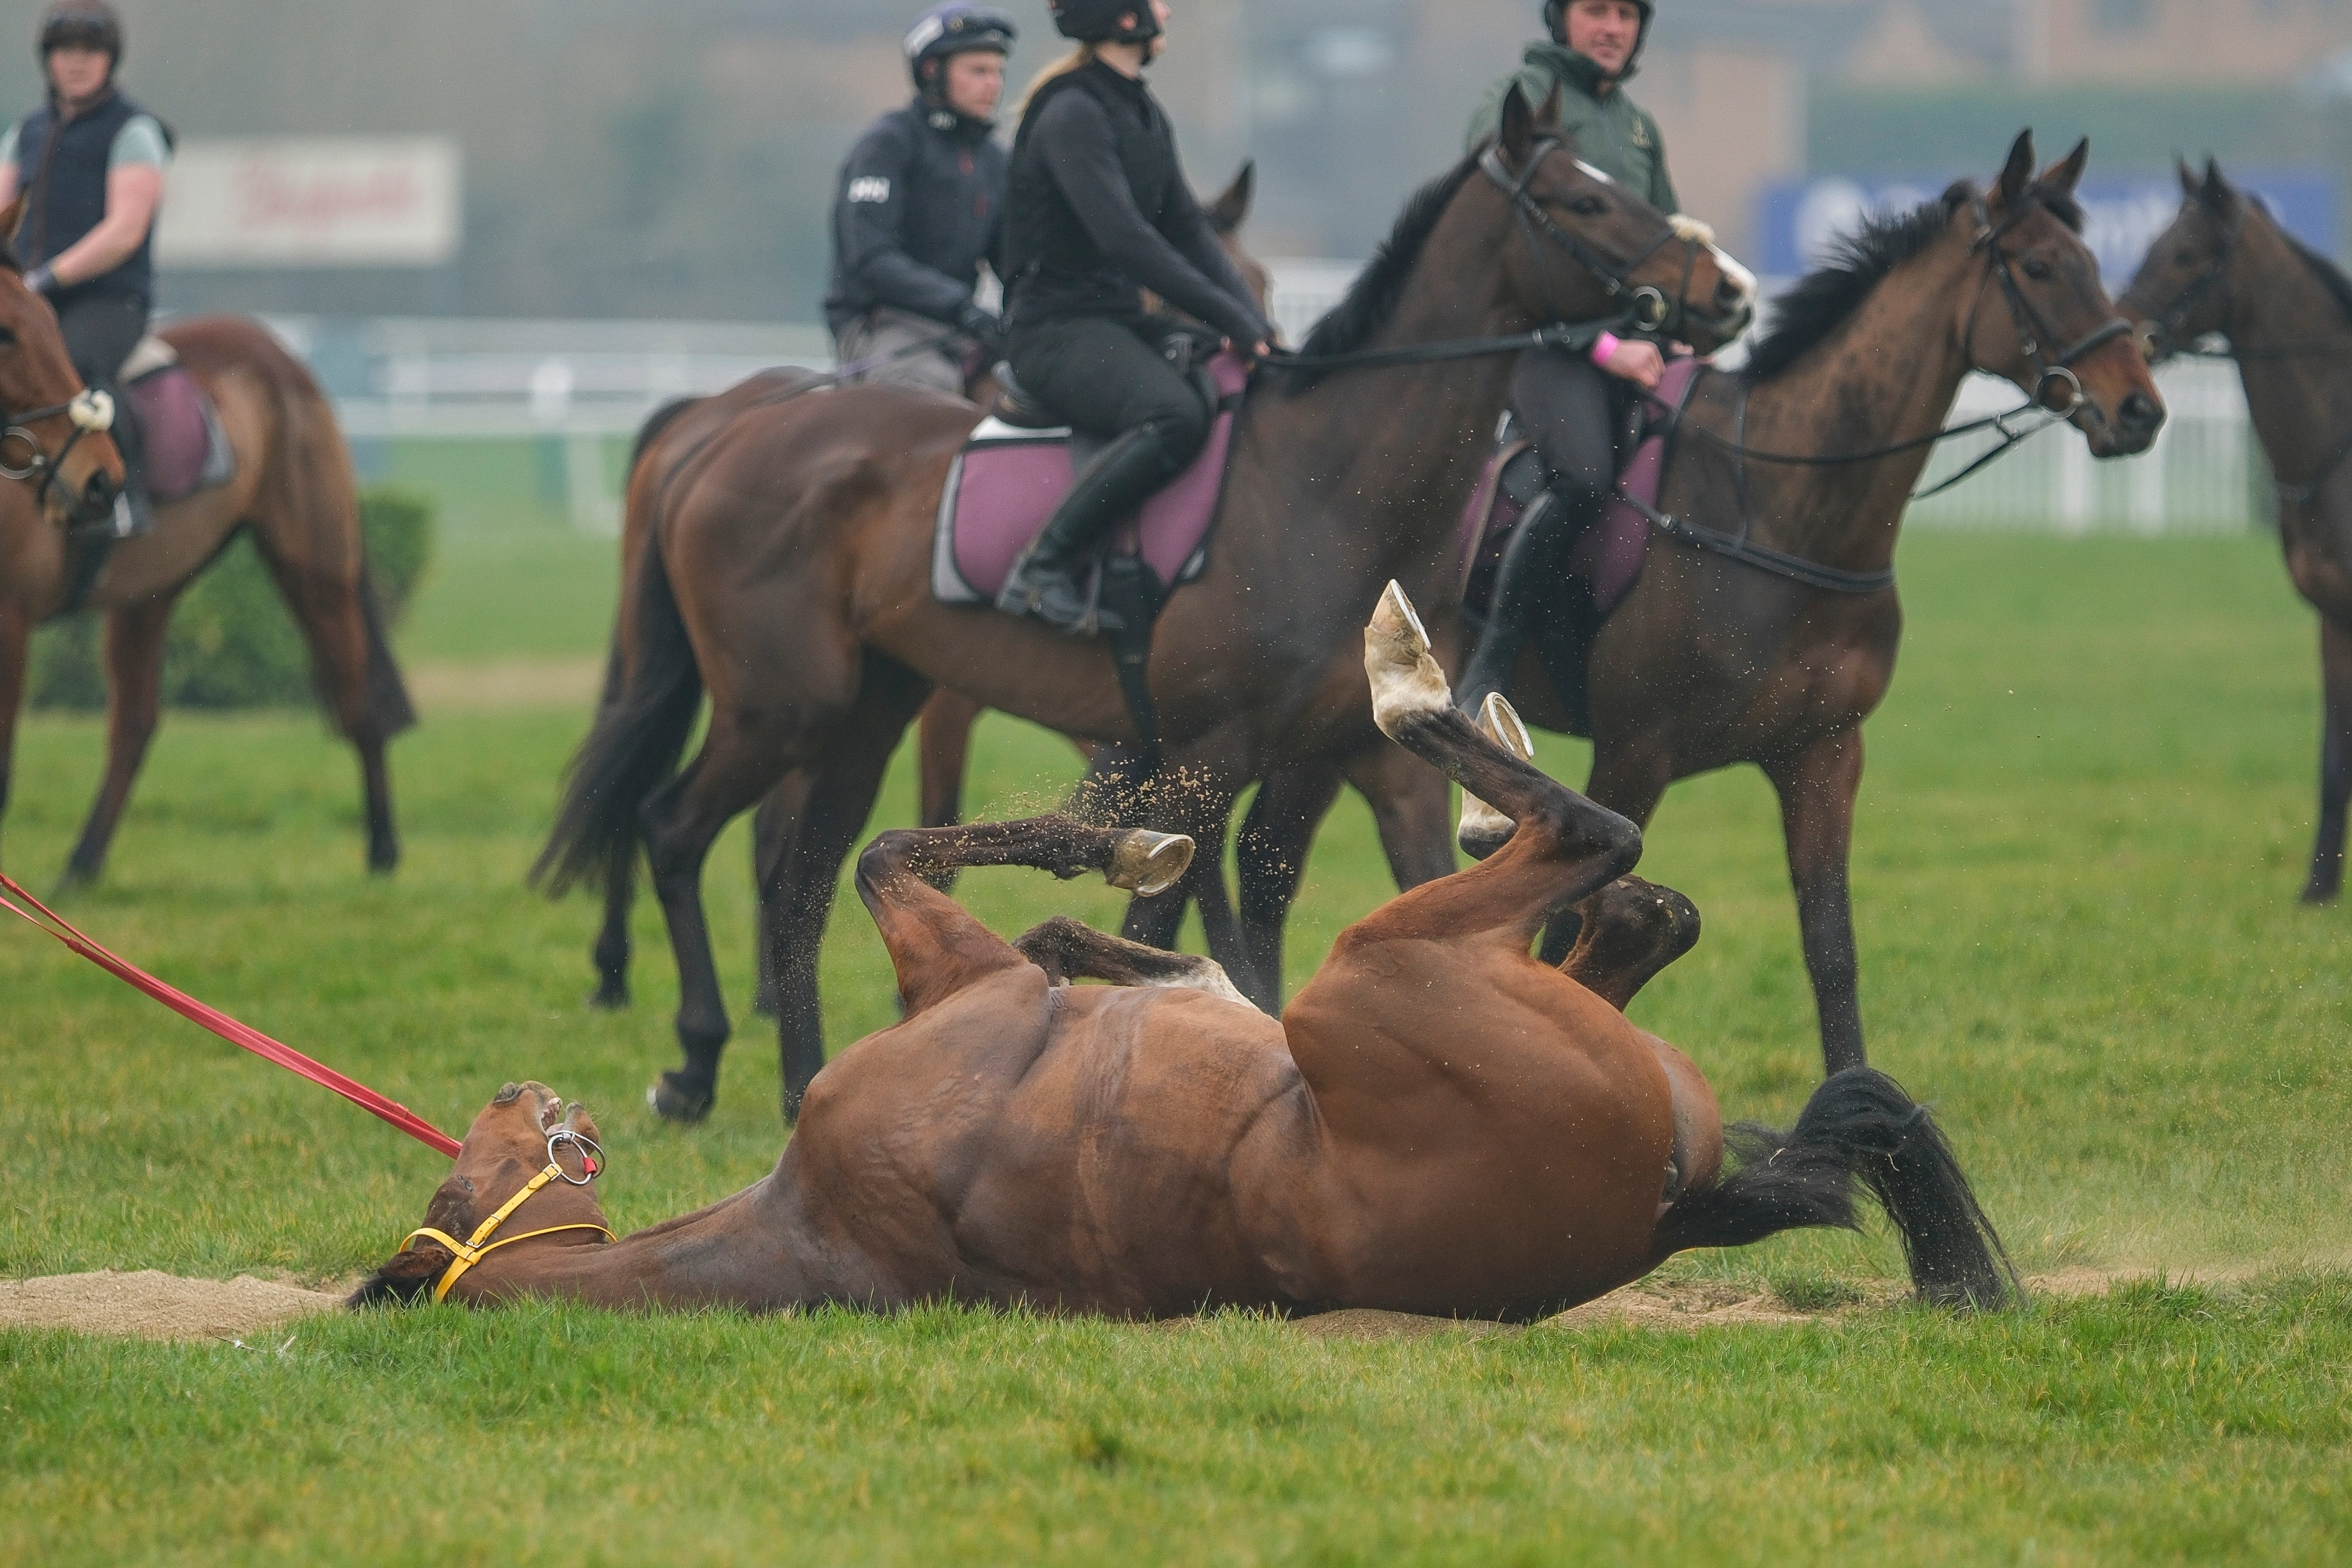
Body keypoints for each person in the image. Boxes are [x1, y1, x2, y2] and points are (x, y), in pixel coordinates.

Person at [993, 0, 1274, 634]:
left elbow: (1191, 233)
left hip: (1114, 321)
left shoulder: (1141, 111)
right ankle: (1042, 567)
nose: (1167, 10)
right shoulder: (1072, 114)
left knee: (1229, 376)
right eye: (1154, 3)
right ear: (1124, 20)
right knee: (1173, 414)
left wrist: (1251, 324)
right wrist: (1233, 316)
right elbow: (1129, 242)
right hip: (1052, 332)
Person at [1457, 0, 1681, 707]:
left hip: (1628, 350)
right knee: (1585, 477)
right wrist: (1605, 346)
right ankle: (1492, 661)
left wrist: (1676, 327)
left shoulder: (1640, 128)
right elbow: (1491, 248)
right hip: (1534, 345)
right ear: (1561, 20)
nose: (1613, 29)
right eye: (1595, 11)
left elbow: (1664, 249)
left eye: (1626, 14)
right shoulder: (1514, 104)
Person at [0, 0, 170, 538]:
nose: (77, 62)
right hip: (32, 297)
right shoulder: (23, 132)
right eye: (65, 50)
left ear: (109, 61)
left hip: (108, 299)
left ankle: (124, 499)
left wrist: (44, 279)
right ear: (48, 60)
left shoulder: (135, 132)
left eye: (90, 51)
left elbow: (125, 231)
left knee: (69, 368)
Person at [825, 4, 1017, 397]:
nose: (994, 85)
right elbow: (872, 259)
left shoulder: (995, 161)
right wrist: (960, 306)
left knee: (1039, 396)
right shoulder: (888, 144)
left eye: (998, 72)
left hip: (961, 330)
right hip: (883, 325)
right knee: (929, 399)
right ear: (932, 71)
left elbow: (1013, 264)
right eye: (978, 71)